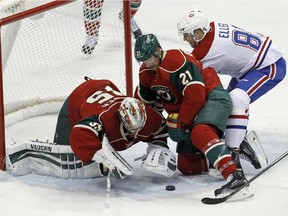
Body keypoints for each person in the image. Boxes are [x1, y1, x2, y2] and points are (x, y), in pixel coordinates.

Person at [134, 33, 250, 196]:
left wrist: (181, 121)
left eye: (149, 59)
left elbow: (196, 96)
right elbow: (145, 105)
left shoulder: (176, 61)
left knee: (200, 132)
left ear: (158, 51)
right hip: (188, 108)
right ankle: (225, 149)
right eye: (143, 61)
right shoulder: (145, 73)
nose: (147, 64)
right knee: (187, 166)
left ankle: (234, 176)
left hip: (212, 96)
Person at [176, 10, 286, 169]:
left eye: (187, 34)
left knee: (236, 100)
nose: (185, 39)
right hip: (252, 64)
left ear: (198, 33)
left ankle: (232, 152)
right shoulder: (211, 28)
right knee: (226, 103)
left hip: (269, 65)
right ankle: (240, 143)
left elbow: (192, 78)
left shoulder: (205, 51)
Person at [6, 78, 176, 180]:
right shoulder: (104, 118)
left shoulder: (148, 118)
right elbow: (79, 135)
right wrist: (100, 156)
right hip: (79, 98)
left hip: (104, 88)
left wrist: (159, 146)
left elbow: (160, 129)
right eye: (130, 129)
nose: (135, 134)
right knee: (73, 153)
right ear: (120, 117)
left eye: (138, 128)